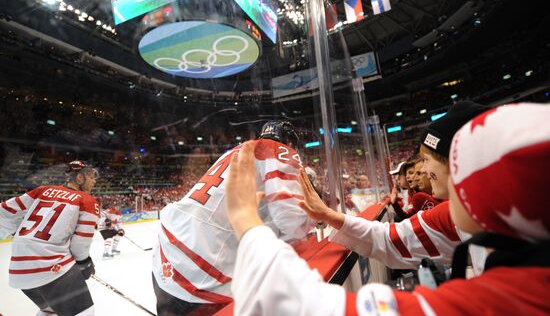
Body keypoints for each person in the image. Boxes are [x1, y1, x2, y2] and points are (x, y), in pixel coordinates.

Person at [225, 103, 550, 315]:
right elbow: (396, 239)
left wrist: (247, 224)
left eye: (433, 161)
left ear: (482, 191)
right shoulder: (474, 225)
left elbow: (306, 309)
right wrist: (330, 216)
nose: (422, 170)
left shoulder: (519, 298)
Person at [151, 120, 314, 315]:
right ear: (289, 142)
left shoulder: (236, 150)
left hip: (167, 252)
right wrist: (315, 215)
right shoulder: (279, 151)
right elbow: (291, 221)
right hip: (202, 269)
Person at [0, 160, 100, 316]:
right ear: (79, 178)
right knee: (85, 312)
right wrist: (84, 263)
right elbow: (79, 245)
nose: (94, 180)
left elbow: (5, 211)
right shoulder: (87, 201)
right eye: (91, 176)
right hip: (51, 266)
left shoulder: (41, 190)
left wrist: (16, 230)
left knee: (49, 311)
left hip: (19, 270)